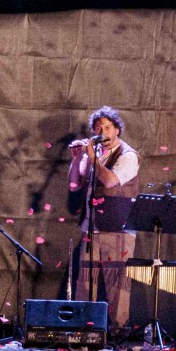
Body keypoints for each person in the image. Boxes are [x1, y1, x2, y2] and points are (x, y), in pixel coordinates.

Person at [68, 106, 139, 331]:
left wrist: (91, 158)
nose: (103, 132)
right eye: (99, 128)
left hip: (118, 229)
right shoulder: (95, 154)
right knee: (84, 284)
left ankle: (118, 332)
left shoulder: (128, 155)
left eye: (108, 127)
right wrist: (78, 158)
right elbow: (75, 183)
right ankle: (83, 330)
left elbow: (109, 181)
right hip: (92, 228)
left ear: (117, 130)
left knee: (117, 286)